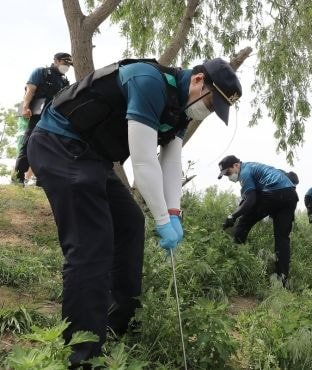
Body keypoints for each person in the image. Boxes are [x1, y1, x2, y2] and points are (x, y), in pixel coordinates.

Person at [27, 57, 242, 367]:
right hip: (58, 145)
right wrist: (162, 220)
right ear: (198, 80)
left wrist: (174, 212)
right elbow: (143, 163)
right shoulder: (149, 81)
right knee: (92, 248)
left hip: (93, 159)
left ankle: (117, 324)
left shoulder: (179, 109)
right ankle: (81, 353)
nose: (207, 111)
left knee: (129, 223)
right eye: (210, 103)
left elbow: (171, 162)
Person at [219, 155, 298, 286]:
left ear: (236, 165)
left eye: (228, 172)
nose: (228, 176)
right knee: (282, 239)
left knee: (244, 221)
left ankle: (234, 262)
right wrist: (234, 213)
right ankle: (282, 280)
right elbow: (246, 200)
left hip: (274, 193)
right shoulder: (254, 168)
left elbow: (250, 201)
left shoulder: (245, 172)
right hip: (290, 195)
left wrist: (232, 217)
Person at [12, 52, 73, 185]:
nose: (67, 66)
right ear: (56, 60)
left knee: (49, 148)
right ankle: (18, 178)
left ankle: (42, 181)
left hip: (53, 119)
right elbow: (30, 90)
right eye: (65, 63)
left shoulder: (64, 81)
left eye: (69, 64)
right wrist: (25, 107)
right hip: (36, 115)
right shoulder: (41, 72)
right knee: (28, 144)